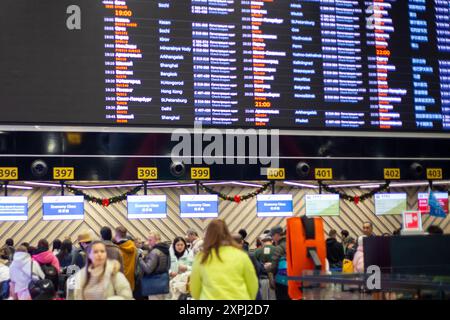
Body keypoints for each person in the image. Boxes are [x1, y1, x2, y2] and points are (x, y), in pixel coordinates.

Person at [189, 219, 258, 300]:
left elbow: (194, 288)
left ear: (208, 235)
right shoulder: (241, 256)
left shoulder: (201, 257)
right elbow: (252, 284)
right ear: (227, 234)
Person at [138, 231, 171, 300]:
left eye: (150, 240)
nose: (148, 242)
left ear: (157, 239)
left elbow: (148, 269)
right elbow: (168, 266)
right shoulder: (166, 250)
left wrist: (140, 260)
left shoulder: (155, 252)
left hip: (154, 284)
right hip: (164, 282)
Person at [266, 226, 289, 300]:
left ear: (277, 235)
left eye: (272, 235)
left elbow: (274, 266)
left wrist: (269, 268)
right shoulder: (290, 243)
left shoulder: (279, 247)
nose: (271, 238)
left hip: (282, 281)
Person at [114, 226, 138, 292]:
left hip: (119, 281)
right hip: (131, 280)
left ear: (116, 235)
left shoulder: (116, 248)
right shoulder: (133, 246)